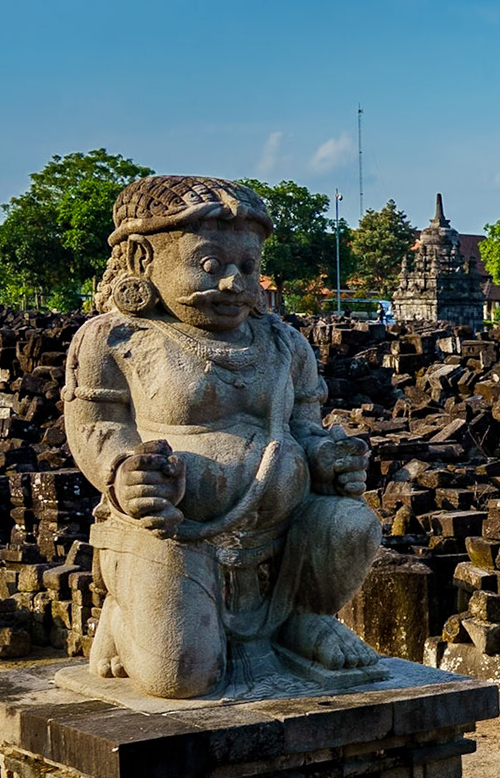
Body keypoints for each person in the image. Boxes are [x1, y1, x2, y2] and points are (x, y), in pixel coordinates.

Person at [65, 175, 383, 699]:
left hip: (285, 536)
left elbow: (303, 426)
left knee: (352, 524)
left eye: (249, 268)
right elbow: (96, 424)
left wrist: (329, 455)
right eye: (211, 266)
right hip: (173, 529)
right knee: (181, 677)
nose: (236, 284)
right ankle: (124, 617)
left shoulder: (284, 343)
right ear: (143, 260)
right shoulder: (117, 338)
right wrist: (124, 472)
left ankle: (303, 617)